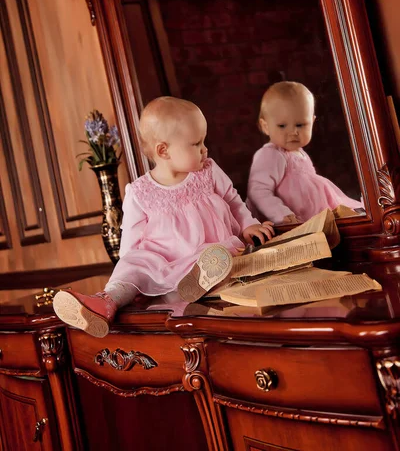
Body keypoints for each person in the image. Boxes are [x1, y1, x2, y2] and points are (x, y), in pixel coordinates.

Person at [53, 97, 273, 337]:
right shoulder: (140, 192)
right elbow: (130, 242)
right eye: (196, 143)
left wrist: (249, 224)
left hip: (203, 255)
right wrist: (129, 273)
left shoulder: (208, 171)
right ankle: (106, 302)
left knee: (218, 257)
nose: (204, 149)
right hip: (160, 263)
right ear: (163, 150)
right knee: (133, 266)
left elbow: (232, 200)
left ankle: (196, 285)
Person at [247, 81, 363, 225]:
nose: (293, 132)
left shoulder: (299, 153)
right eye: (282, 125)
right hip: (291, 219)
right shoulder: (270, 154)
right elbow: (258, 191)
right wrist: (281, 214)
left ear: (312, 122)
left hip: (313, 212)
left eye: (300, 125)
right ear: (265, 126)